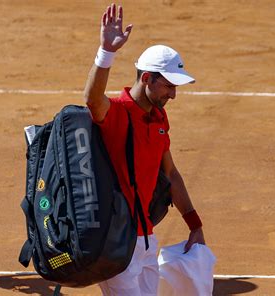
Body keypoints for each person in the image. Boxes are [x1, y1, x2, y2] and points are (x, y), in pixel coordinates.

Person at [83, 3, 205, 295]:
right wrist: (106, 52)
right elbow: (91, 98)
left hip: (146, 237)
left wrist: (194, 223)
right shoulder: (117, 113)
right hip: (114, 240)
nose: (174, 95)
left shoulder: (159, 116)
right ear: (147, 78)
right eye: (169, 86)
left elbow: (171, 173)